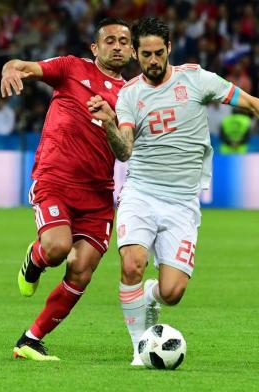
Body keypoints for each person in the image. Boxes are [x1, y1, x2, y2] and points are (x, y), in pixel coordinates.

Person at [87, 16, 259, 366]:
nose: (152, 60)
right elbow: (125, 151)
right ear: (135, 53)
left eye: (158, 53)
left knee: (172, 293)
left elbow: (251, 103)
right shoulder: (130, 95)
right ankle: (140, 348)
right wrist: (107, 124)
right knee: (132, 264)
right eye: (145, 54)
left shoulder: (196, 79)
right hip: (142, 193)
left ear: (169, 49)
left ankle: (148, 297)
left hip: (182, 202)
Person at [0, 18, 132, 361]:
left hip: (99, 193)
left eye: (123, 41)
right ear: (95, 47)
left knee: (82, 269)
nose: (117, 46)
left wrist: (110, 123)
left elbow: (126, 151)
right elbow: (21, 65)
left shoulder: (134, 95)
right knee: (57, 248)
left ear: (132, 50)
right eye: (110, 40)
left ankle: (30, 340)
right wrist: (9, 69)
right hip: (55, 179)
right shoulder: (70, 68)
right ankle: (35, 257)